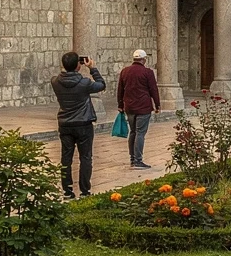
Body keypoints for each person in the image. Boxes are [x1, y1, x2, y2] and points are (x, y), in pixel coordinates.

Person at [52, 51, 105, 199]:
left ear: (63, 65)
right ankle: (85, 191)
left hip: (65, 124)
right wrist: (92, 68)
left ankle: (67, 191)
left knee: (66, 158)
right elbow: (101, 85)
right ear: (78, 65)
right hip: (83, 123)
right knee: (86, 158)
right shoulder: (85, 83)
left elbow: (63, 76)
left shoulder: (55, 81)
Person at [116, 48, 160, 168]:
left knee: (133, 132)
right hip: (143, 107)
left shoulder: (125, 71)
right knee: (140, 133)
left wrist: (120, 105)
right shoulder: (147, 72)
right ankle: (138, 160)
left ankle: (132, 158)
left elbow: (120, 89)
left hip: (129, 107)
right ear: (144, 59)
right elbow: (153, 89)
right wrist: (157, 105)